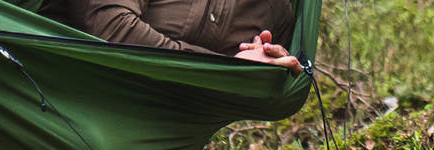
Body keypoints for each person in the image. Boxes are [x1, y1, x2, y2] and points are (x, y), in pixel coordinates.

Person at [39, 0, 303, 76]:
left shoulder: (277, 10)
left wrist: (269, 63)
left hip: (150, 131)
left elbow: (282, 81)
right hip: (53, 88)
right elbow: (110, 27)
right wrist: (232, 67)